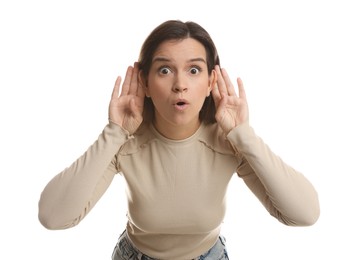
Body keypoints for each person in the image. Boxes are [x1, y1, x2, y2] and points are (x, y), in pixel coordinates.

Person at [38, 20, 320, 260]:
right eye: (164, 70)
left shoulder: (229, 142)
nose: (180, 84)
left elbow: (304, 215)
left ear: (211, 82)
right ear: (145, 82)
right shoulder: (125, 142)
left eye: (194, 70)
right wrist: (114, 133)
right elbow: (54, 217)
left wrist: (243, 135)